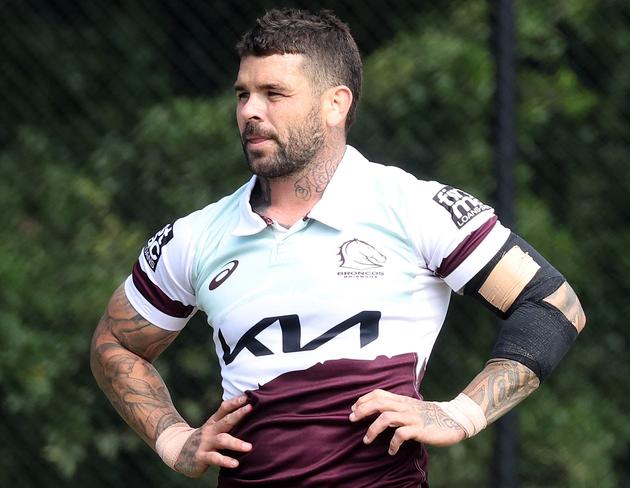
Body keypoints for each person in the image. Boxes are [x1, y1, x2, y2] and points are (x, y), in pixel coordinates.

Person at [90, 8, 586, 487]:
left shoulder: (413, 207)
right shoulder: (195, 237)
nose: (250, 111)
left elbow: (552, 305)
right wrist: (174, 438)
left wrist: (459, 414)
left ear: (336, 103)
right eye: (243, 94)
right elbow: (115, 344)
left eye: (274, 93)